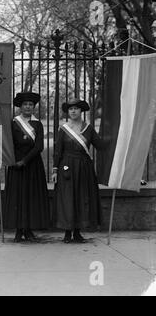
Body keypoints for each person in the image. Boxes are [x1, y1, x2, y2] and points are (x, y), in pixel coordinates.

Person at [52, 99, 106, 243]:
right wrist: (55, 169)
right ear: (68, 112)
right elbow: (58, 151)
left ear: (81, 111)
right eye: (71, 109)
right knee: (68, 199)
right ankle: (67, 233)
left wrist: (114, 136)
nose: (73, 111)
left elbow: (100, 145)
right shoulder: (63, 129)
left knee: (81, 198)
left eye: (76, 108)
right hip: (67, 167)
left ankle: (77, 232)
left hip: (84, 168)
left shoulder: (88, 129)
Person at [4, 92, 50, 242]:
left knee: (31, 197)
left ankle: (29, 230)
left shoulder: (38, 124)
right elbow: (8, 143)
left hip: (32, 164)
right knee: (18, 197)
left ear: (34, 107)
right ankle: (18, 230)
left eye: (31, 104)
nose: (28, 107)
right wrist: (13, 160)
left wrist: (25, 161)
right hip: (16, 165)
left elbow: (39, 146)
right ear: (20, 107)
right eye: (25, 104)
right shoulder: (13, 123)